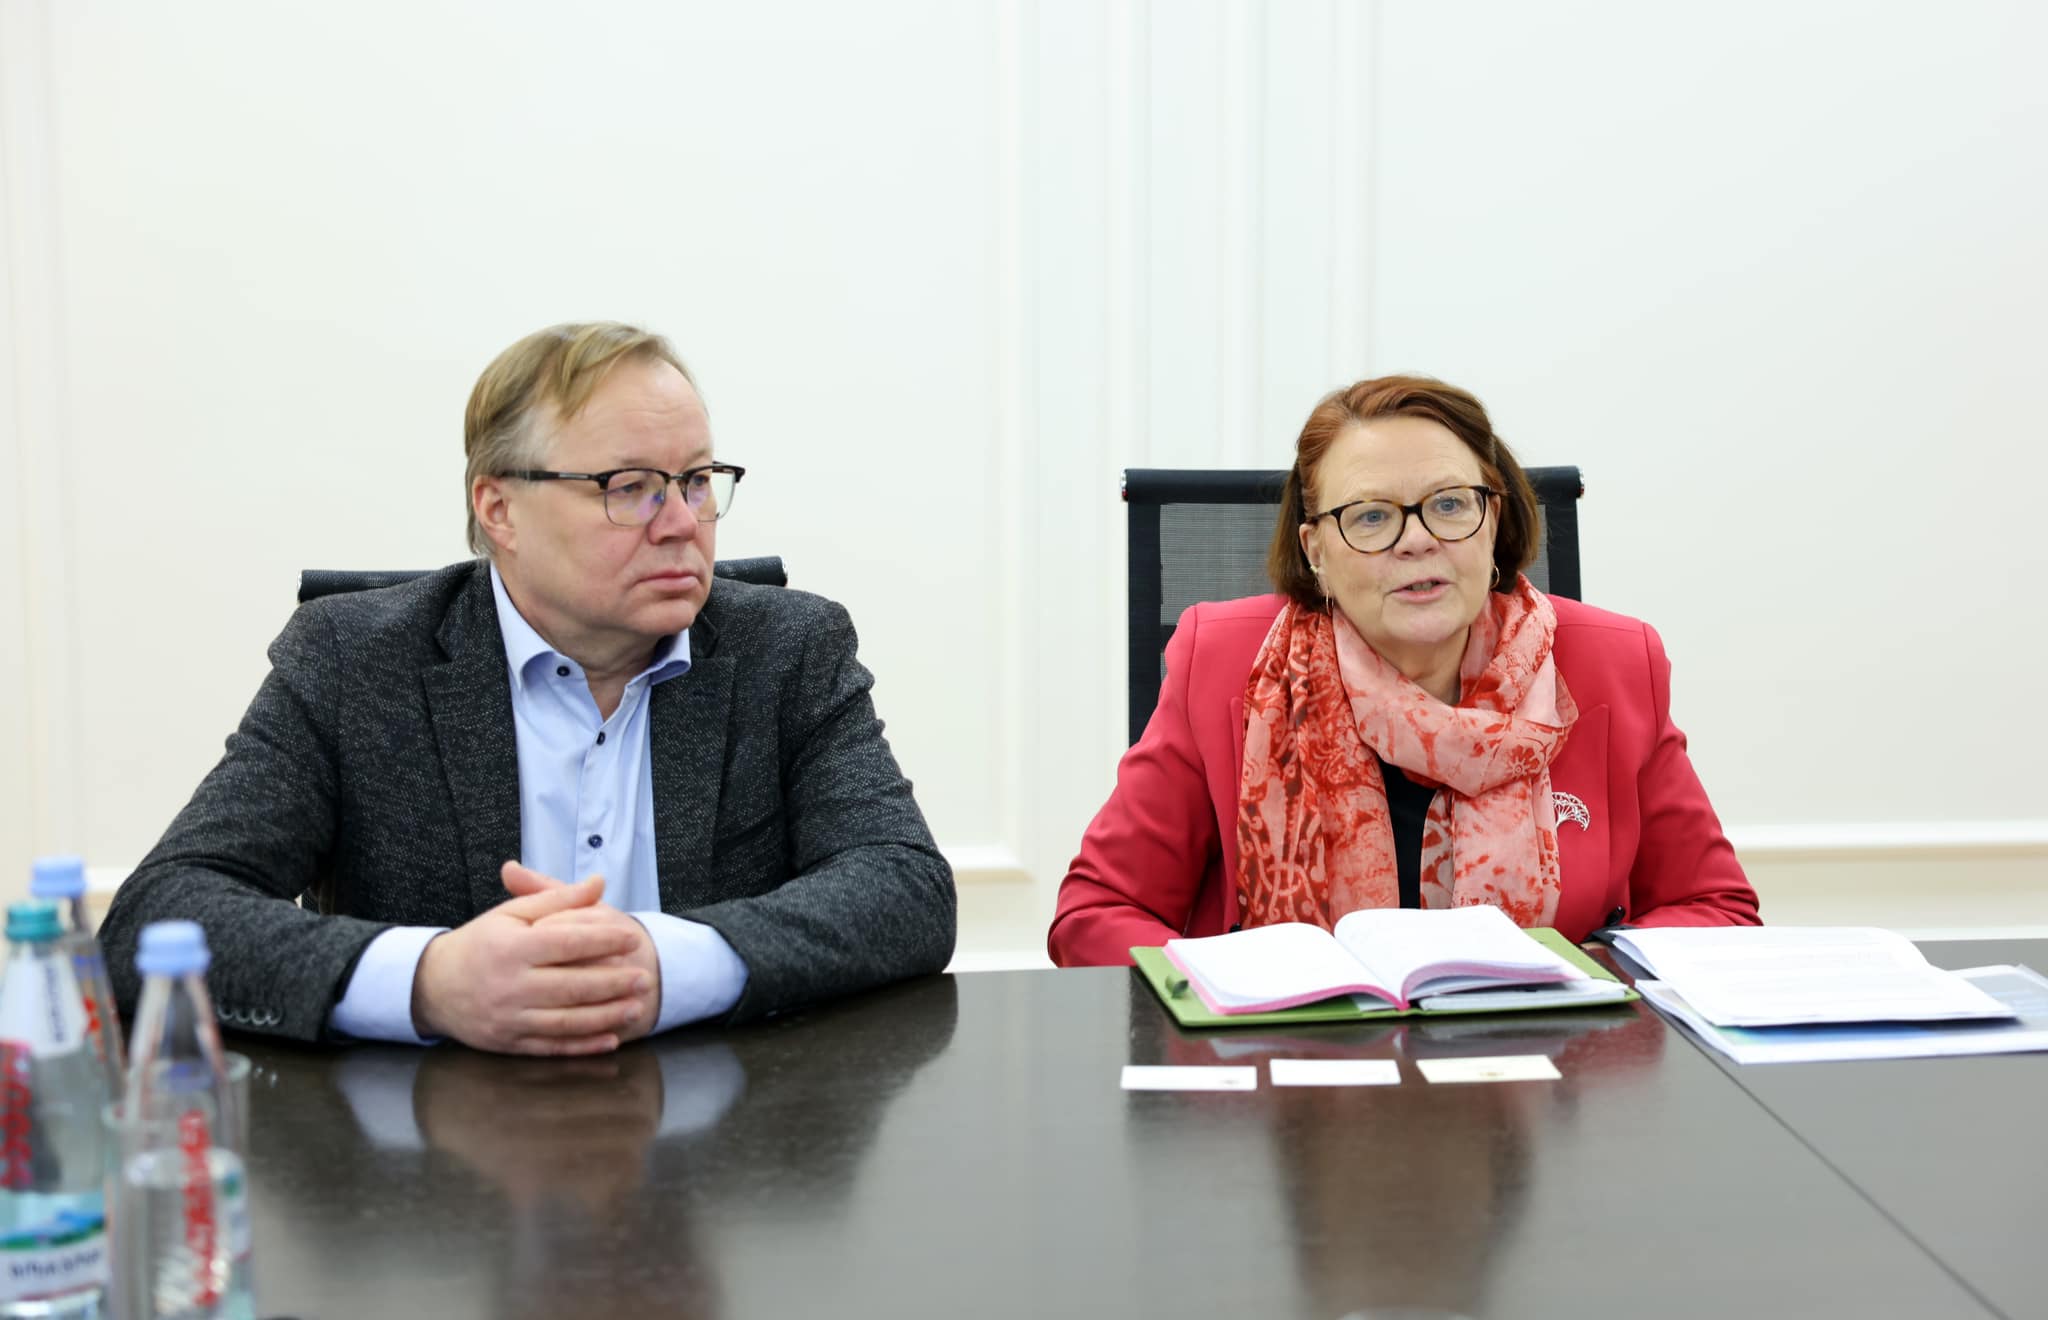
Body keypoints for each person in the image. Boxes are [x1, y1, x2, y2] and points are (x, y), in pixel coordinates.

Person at [101, 321, 955, 1054]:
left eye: (697, 481)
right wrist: (429, 980)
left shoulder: (789, 650)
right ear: (499, 510)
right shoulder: (354, 663)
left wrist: (664, 963)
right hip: (428, 1157)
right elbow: (158, 917)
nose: (681, 522)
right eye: (629, 487)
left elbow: (905, 887)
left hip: (728, 1142)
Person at [1049, 375, 1758, 964]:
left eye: (1449, 505)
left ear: (1494, 523)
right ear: (1316, 551)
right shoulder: (1223, 661)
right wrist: (1229, 989)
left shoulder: (1614, 662)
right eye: (1370, 516)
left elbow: (1713, 907)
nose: (1417, 540)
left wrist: (1577, 984)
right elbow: (1098, 913)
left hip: (1543, 1069)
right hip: (1292, 1065)